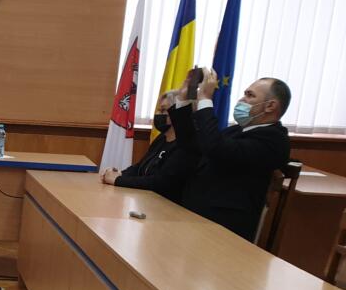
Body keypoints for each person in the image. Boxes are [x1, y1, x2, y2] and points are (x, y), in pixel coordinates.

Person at [169, 69, 292, 240]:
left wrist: (205, 100)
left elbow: (216, 148)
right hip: (194, 212)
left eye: (250, 95)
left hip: (223, 227)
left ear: (270, 106)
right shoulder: (236, 130)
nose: (242, 99)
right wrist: (183, 101)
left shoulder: (274, 140)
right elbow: (192, 145)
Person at [100, 90, 198, 203]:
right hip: (146, 200)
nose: (158, 114)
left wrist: (118, 180)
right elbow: (140, 166)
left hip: (167, 205)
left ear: (178, 114)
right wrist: (120, 173)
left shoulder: (185, 146)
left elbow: (159, 182)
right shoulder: (162, 138)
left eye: (163, 110)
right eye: (158, 110)